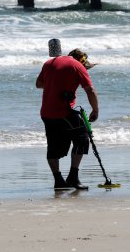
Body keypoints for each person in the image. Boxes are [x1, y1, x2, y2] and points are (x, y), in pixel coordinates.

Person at [36, 45, 99, 190]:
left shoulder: (48, 63)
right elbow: (90, 90)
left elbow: (39, 84)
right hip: (63, 111)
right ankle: (73, 177)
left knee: (53, 146)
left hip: (46, 112)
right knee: (82, 139)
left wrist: (56, 84)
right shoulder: (77, 66)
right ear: (82, 62)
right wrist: (95, 110)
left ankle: (58, 181)